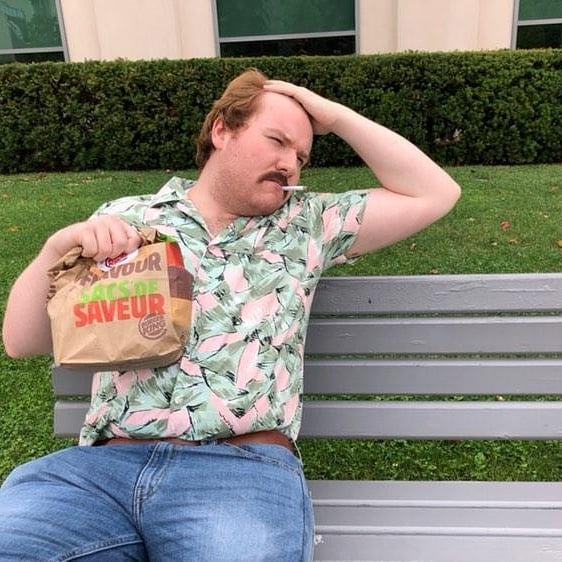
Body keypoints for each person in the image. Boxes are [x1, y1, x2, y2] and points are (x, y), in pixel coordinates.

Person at [0, 68, 461, 561]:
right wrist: (56, 250)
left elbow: (435, 193)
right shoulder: (128, 219)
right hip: (101, 475)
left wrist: (335, 117)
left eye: (301, 157)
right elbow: (21, 341)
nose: (289, 165)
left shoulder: (309, 225)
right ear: (222, 130)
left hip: (238, 471)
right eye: (277, 141)